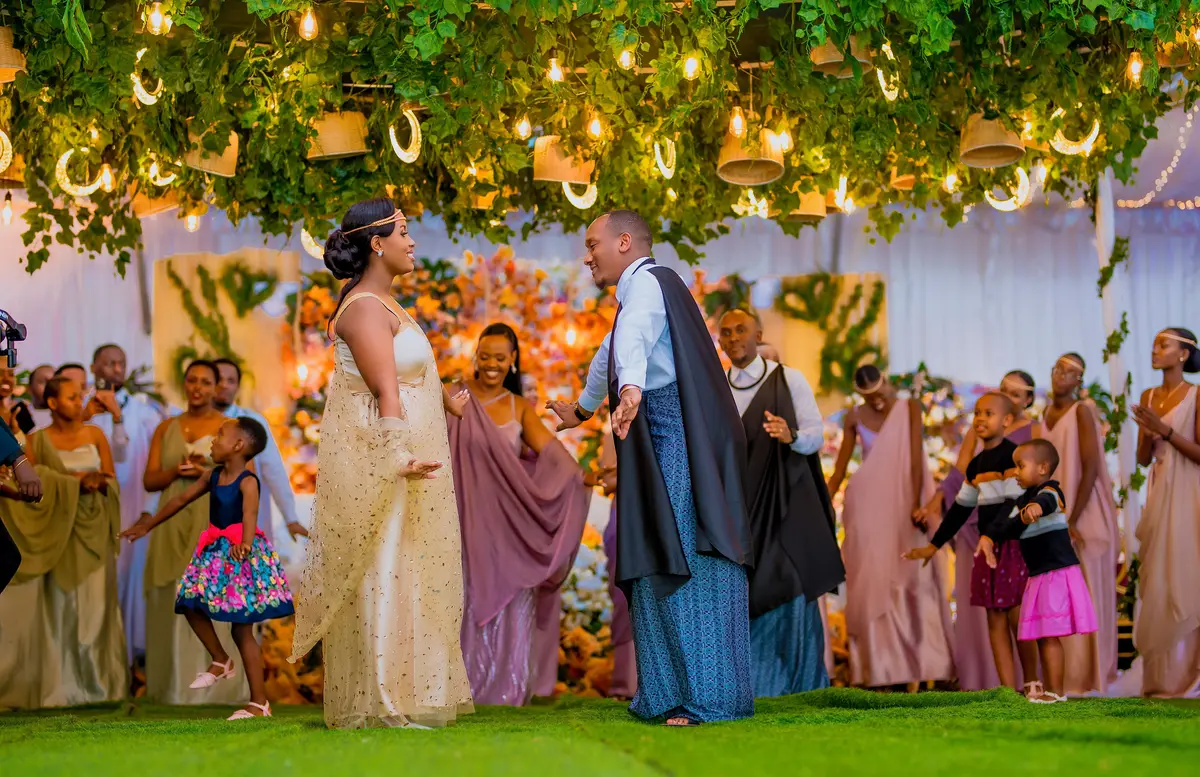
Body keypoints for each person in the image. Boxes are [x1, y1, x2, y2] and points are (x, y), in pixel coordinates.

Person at [547, 210, 753, 726]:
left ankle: (708, 699)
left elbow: (633, 339)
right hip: (662, 439)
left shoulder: (648, 285)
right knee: (662, 555)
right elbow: (611, 349)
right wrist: (584, 407)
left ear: (623, 242)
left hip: (678, 437)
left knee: (686, 556)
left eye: (593, 243)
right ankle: (668, 694)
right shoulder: (645, 289)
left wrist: (631, 388)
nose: (587, 255)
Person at [289, 198, 473, 729]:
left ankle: (411, 692)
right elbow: (385, 389)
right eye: (404, 231)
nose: (412, 242)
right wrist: (397, 457)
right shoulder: (365, 308)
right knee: (386, 568)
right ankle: (384, 702)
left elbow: (411, 378)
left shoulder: (387, 303)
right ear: (377, 243)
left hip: (410, 458)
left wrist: (445, 401)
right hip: (387, 462)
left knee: (410, 569)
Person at [448, 323, 588, 705]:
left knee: (507, 604)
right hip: (456, 520)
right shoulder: (452, 396)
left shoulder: (518, 408)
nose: (491, 364)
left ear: (512, 362)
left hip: (503, 524)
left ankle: (502, 690)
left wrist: (581, 477)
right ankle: (454, 688)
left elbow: (554, 457)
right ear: (476, 355)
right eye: (485, 355)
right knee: (459, 600)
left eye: (500, 358)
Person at [122, 417, 294, 719]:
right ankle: (220, 658)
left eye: (220, 435)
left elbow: (249, 511)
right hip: (214, 553)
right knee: (189, 602)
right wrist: (148, 524)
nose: (213, 440)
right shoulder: (212, 477)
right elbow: (180, 500)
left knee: (243, 630)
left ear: (238, 445)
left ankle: (258, 703)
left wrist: (245, 541)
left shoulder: (248, 481)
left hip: (242, 554)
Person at [717, 308, 844, 696]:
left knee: (787, 582)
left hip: (784, 504)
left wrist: (790, 436)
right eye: (726, 332)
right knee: (740, 590)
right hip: (734, 510)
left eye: (741, 329)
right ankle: (745, 688)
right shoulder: (713, 386)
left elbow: (815, 435)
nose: (734, 337)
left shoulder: (789, 379)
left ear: (757, 333)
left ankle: (797, 684)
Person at [0, 376, 126, 708]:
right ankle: (61, 688)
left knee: (95, 609)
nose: (78, 401)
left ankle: (100, 685)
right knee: (60, 611)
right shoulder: (36, 441)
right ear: (52, 403)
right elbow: (31, 485)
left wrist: (97, 483)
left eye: (79, 395)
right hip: (58, 530)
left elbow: (112, 480)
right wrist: (74, 482)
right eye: (71, 397)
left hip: (93, 527)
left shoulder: (96, 434)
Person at [827, 365, 954, 689]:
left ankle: (923, 665)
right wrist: (823, 500)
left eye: (881, 394)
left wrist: (916, 505)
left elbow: (915, 459)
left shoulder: (908, 407)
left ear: (887, 383)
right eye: (871, 398)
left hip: (905, 503)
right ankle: (878, 670)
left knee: (914, 577)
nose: (879, 402)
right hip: (868, 504)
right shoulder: (854, 417)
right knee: (872, 580)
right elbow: (841, 466)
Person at [914, 371, 1041, 692]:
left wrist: (991, 536)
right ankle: (1007, 691)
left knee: (1016, 615)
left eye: (988, 413)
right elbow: (960, 507)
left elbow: (1016, 503)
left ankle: (1032, 683)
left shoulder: (1015, 457)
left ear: (1009, 418)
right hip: (987, 548)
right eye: (977, 413)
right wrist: (935, 545)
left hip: (1012, 545)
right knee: (994, 617)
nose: (980, 419)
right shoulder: (975, 466)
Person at [142, 360, 241, 705]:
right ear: (184, 385)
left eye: (205, 381)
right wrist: (175, 471)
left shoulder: (230, 427)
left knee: (210, 594)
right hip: (172, 513)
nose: (198, 387)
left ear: (217, 388)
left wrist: (208, 472)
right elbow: (149, 480)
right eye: (192, 380)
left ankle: (219, 686)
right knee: (171, 592)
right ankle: (172, 686)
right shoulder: (165, 427)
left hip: (212, 518)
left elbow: (246, 477)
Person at [977, 439, 1098, 704]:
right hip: (1040, 575)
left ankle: (1056, 692)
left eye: (1020, 466)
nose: (1016, 472)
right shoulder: (1022, 500)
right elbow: (1008, 526)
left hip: (1056, 572)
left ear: (1043, 468)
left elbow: (1047, 502)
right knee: (1044, 635)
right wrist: (988, 538)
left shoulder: (1050, 491)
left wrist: (1035, 508)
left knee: (1048, 635)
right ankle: (1052, 691)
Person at [1038, 353, 1118, 695]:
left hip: (1083, 515)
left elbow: (1090, 468)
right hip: (1054, 515)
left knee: (1087, 595)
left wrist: (1071, 519)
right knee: (1060, 597)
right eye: (1058, 368)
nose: (1061, 375)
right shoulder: (1043, 414)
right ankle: (1066, 677)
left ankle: (1092, 677)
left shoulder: (1082, 411)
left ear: (1079, 381)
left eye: (1069, 372)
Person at [1130, 328, 1200, 697]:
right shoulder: (1148, 395)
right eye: (1154, 343)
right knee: (1157, 577)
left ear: (1184, 354)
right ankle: (1159, 676)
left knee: (1187, 573)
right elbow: (1143, 460)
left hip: (1190, 491)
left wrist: (1165, 431)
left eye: (1164, 345)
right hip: (1158, 490)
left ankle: (1189, 675)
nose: (1155, 350)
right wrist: (1146, 434)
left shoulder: (1197, 395)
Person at [86, 343, 165, 664]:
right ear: (94, 368)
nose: (115, 369)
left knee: (128, 576)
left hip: (130, 503)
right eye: (108, 363)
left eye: (121, 363)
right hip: (89, 504)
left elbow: (140, 460)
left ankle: (127, 658)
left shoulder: (143, 412)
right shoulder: (80, 407)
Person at [211, 358, 306, 543]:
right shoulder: (191, 422)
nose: (223, 385)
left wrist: (290, 517)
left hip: (246, 519)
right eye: (218, 379)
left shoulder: (251, 422)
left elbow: (274, 469)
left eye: (230, 381)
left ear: (237, 387)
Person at [0, 365, 35, 438]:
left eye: (11, 374)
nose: (7, 379)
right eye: (0, 373)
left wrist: (16, 433)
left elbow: (31, 447)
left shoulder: (19, 410)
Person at [25, 364, 55, 431]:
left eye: (53, 382)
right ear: (29, 388)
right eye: (42, 382)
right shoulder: (20, 416)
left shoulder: (69, 418)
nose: (49, 386)